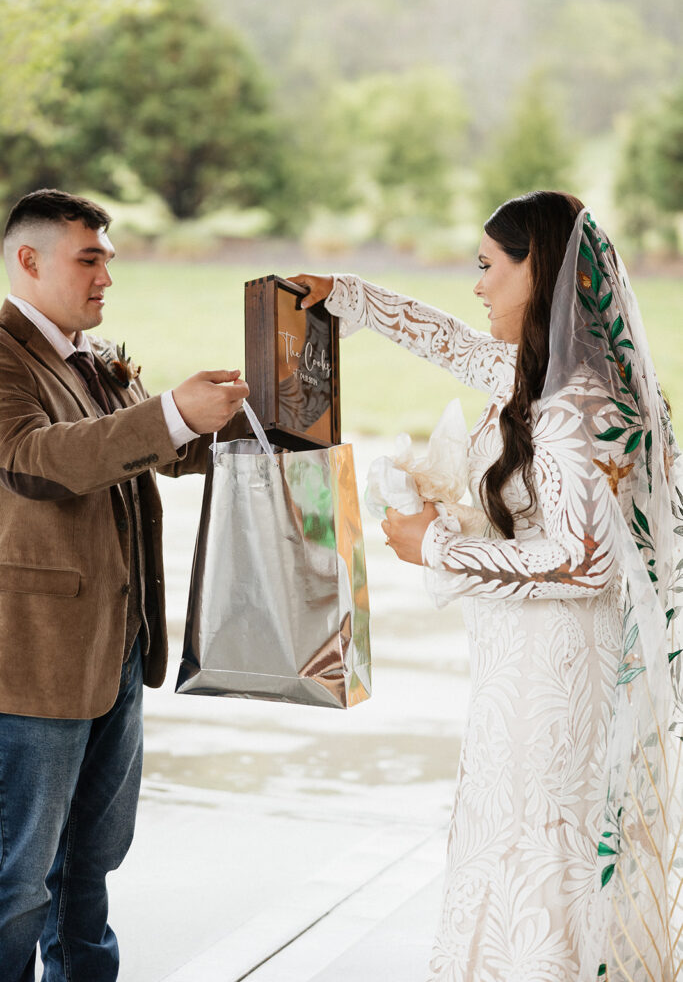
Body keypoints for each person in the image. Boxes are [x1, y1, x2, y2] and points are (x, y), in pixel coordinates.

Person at [290, 190, 683, 980]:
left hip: (558, 670)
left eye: (486, 267)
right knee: (508, 829)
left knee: (545, 834)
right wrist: (350, 297)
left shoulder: (573, 409)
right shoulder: (541, 377)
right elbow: (453, 344)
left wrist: (437, 545)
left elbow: (584, 561)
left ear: (535, 271)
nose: (476, 285)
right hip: (520, 660)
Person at [0, 189, 250, 982]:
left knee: (90, 872)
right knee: (15, 885)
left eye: (108, 256)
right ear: (28, 261)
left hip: (116, 653)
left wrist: (271, 418)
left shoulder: (87, 355)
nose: (108, 273)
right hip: (31, 666)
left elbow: (161, 449)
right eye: (89, 257)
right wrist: (174, 410)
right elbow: (44, 460)